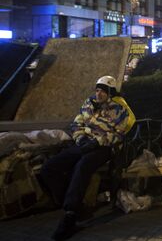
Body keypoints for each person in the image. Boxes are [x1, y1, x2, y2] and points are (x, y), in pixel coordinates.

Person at [40, 75, 135, 241]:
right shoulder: (88, 104)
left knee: (83, 166)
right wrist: (80, 138)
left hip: (102, 148)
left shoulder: (120, 111)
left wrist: (97, 142)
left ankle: (70, 216)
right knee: (49, 167)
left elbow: (118, 135)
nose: (98, 94)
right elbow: (77, 124)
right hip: (83, 143)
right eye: (97, 90)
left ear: (110, 93)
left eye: (103, 92)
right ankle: (75, 205)